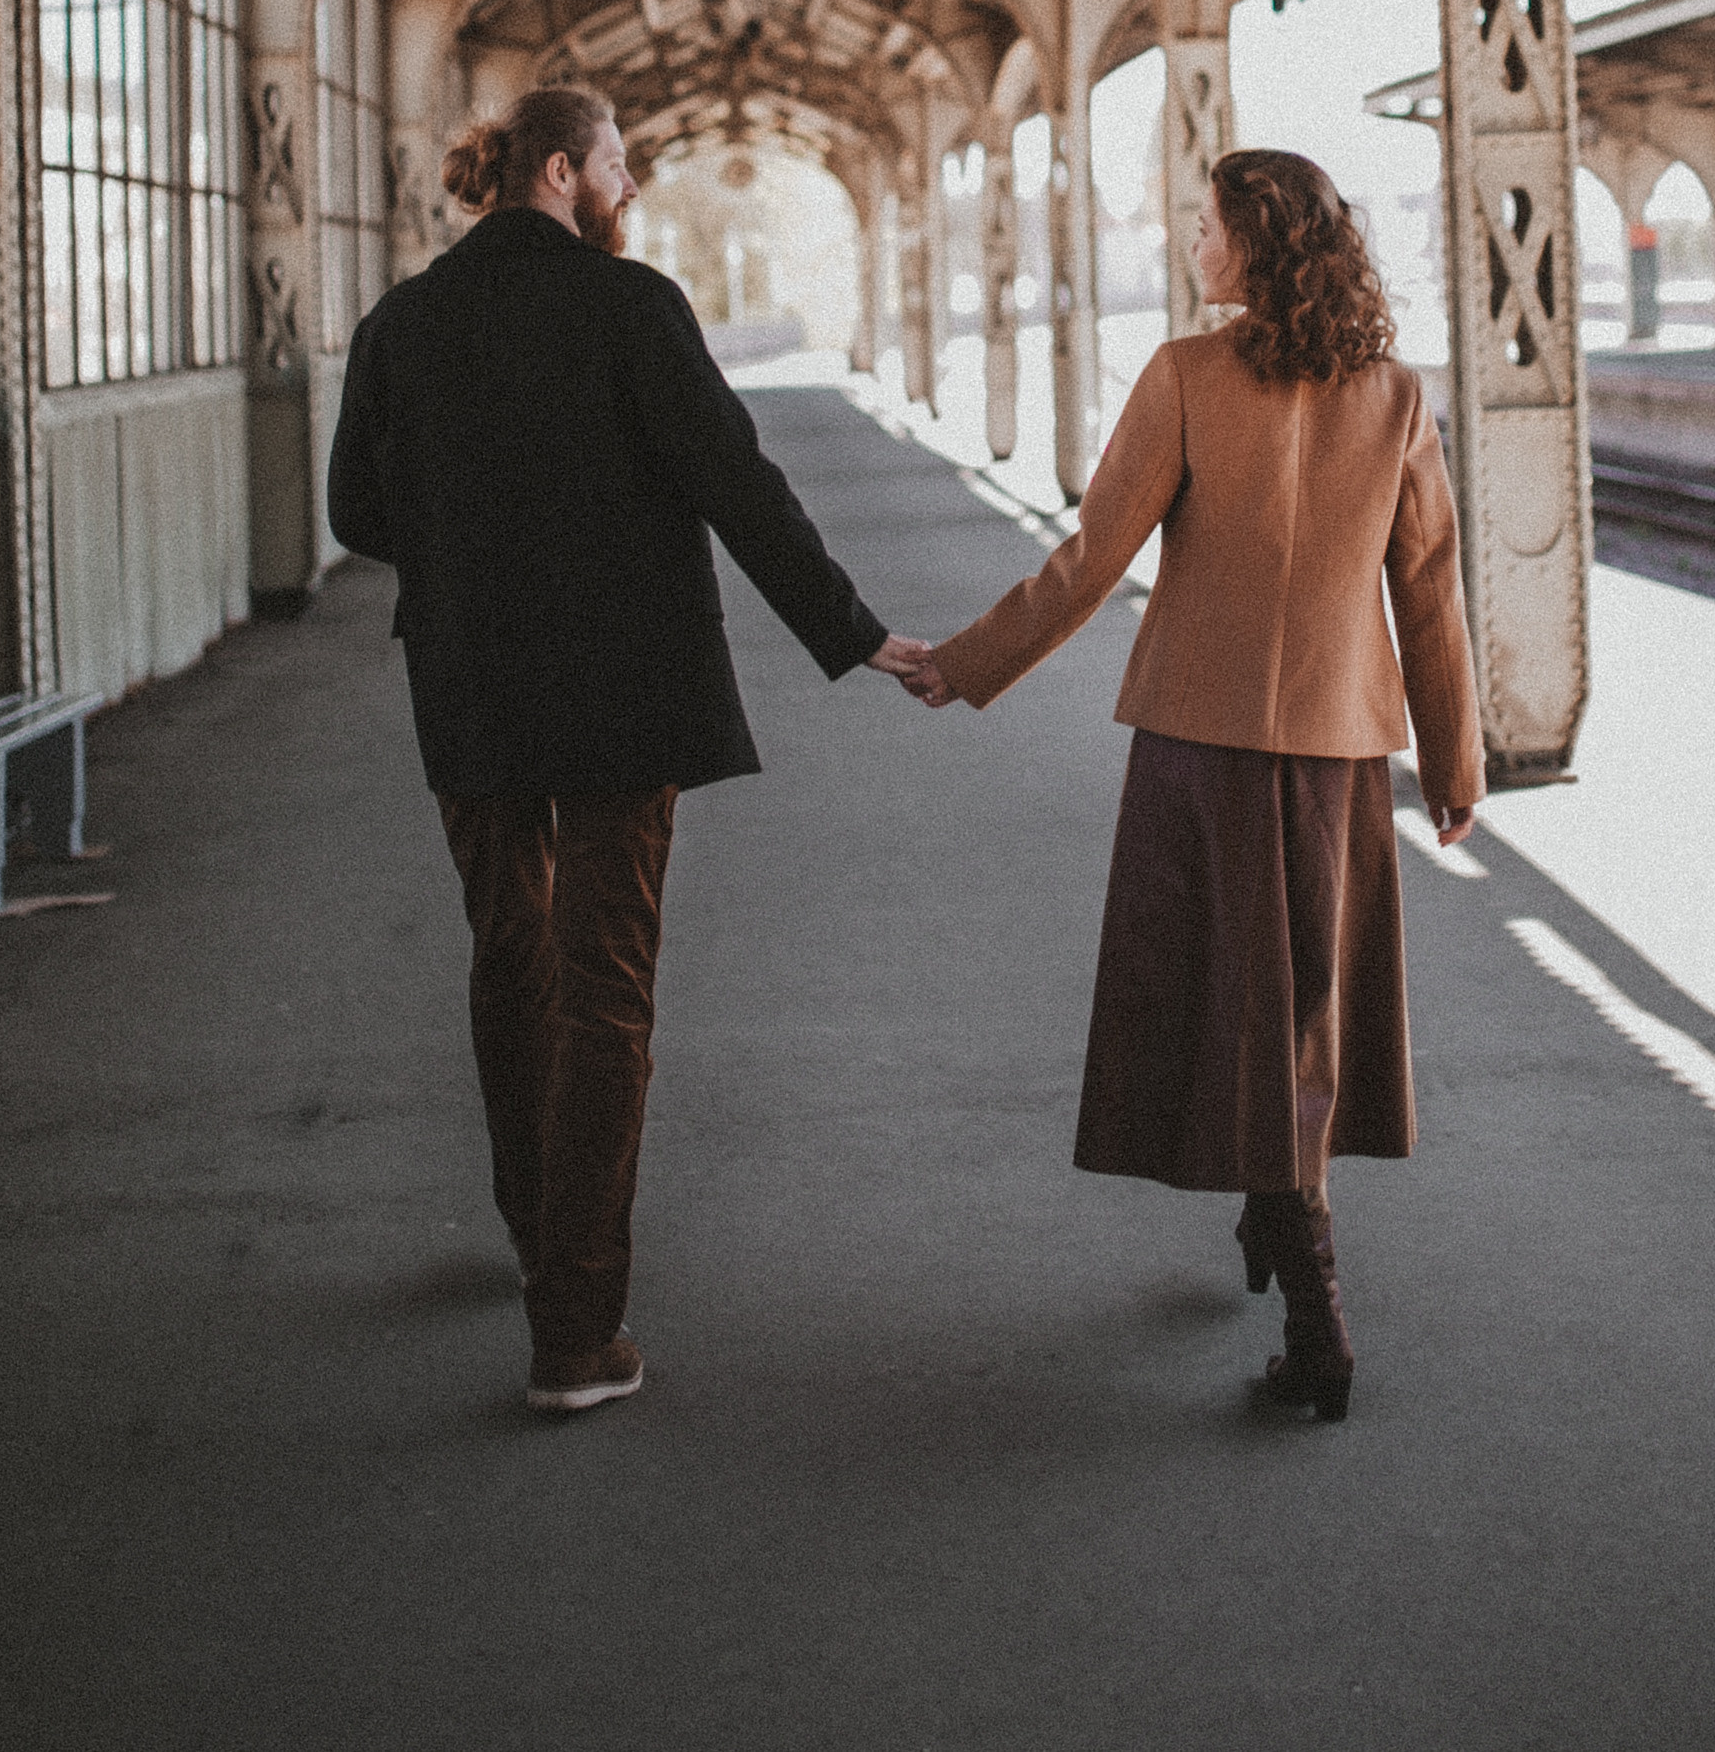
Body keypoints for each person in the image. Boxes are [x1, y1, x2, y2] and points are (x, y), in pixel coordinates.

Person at [326, 82, 931, 1417]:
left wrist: (475, 561)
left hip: (470, 685)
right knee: (603, 984)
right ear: (561, 171)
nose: (629, 190)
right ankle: (574, 1324)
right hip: (623, 688)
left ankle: (538, 1233)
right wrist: (852, 630)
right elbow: (734, 481)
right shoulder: (629, 306)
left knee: (508, 954)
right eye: (615, 165)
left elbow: (356, 507)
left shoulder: (403, 320)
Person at [902, 147, 1482, 1422]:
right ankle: (1277, 1223)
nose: (1190, 246)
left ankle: (1317, 1303)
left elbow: (1088, 561)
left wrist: (966, 664)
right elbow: (1429, 592)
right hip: (1336, 750)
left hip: (1198, 748)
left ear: (1257, 247)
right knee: (1302, 1007)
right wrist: (1454, 764)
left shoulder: (1182, 377)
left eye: (1206, 227)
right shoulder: (1393, 395)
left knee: (1228, 995)